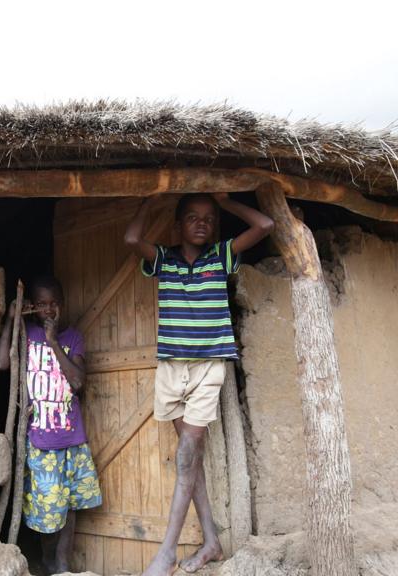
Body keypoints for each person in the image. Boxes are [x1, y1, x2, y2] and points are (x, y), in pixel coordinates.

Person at [124, 193, 273, 575]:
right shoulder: (163, 259)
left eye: (208, 217)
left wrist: (226, 202)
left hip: (208, 367)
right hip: (172, 367)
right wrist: (149, 202)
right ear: (178, 225)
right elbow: (130, 240)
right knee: (192, 462)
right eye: (192, 217)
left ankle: (165, 553)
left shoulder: (221, 255)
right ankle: (211, 541)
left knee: (188, 455)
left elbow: (265, 226)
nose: (201, 223)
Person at [0, 275, 102, 575]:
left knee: (69, 508)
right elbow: (3, 363)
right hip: (41, 441)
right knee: (46, 511)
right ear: (32, 306)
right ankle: (46, 560)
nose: (49, 310)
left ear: (63, 304)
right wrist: (10, 321)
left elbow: (79, 382)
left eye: (54, 303)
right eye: (41, 304)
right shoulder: (25, 335)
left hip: (73, 439)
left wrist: (54, 341)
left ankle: (63, 564)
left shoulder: (72, 339)